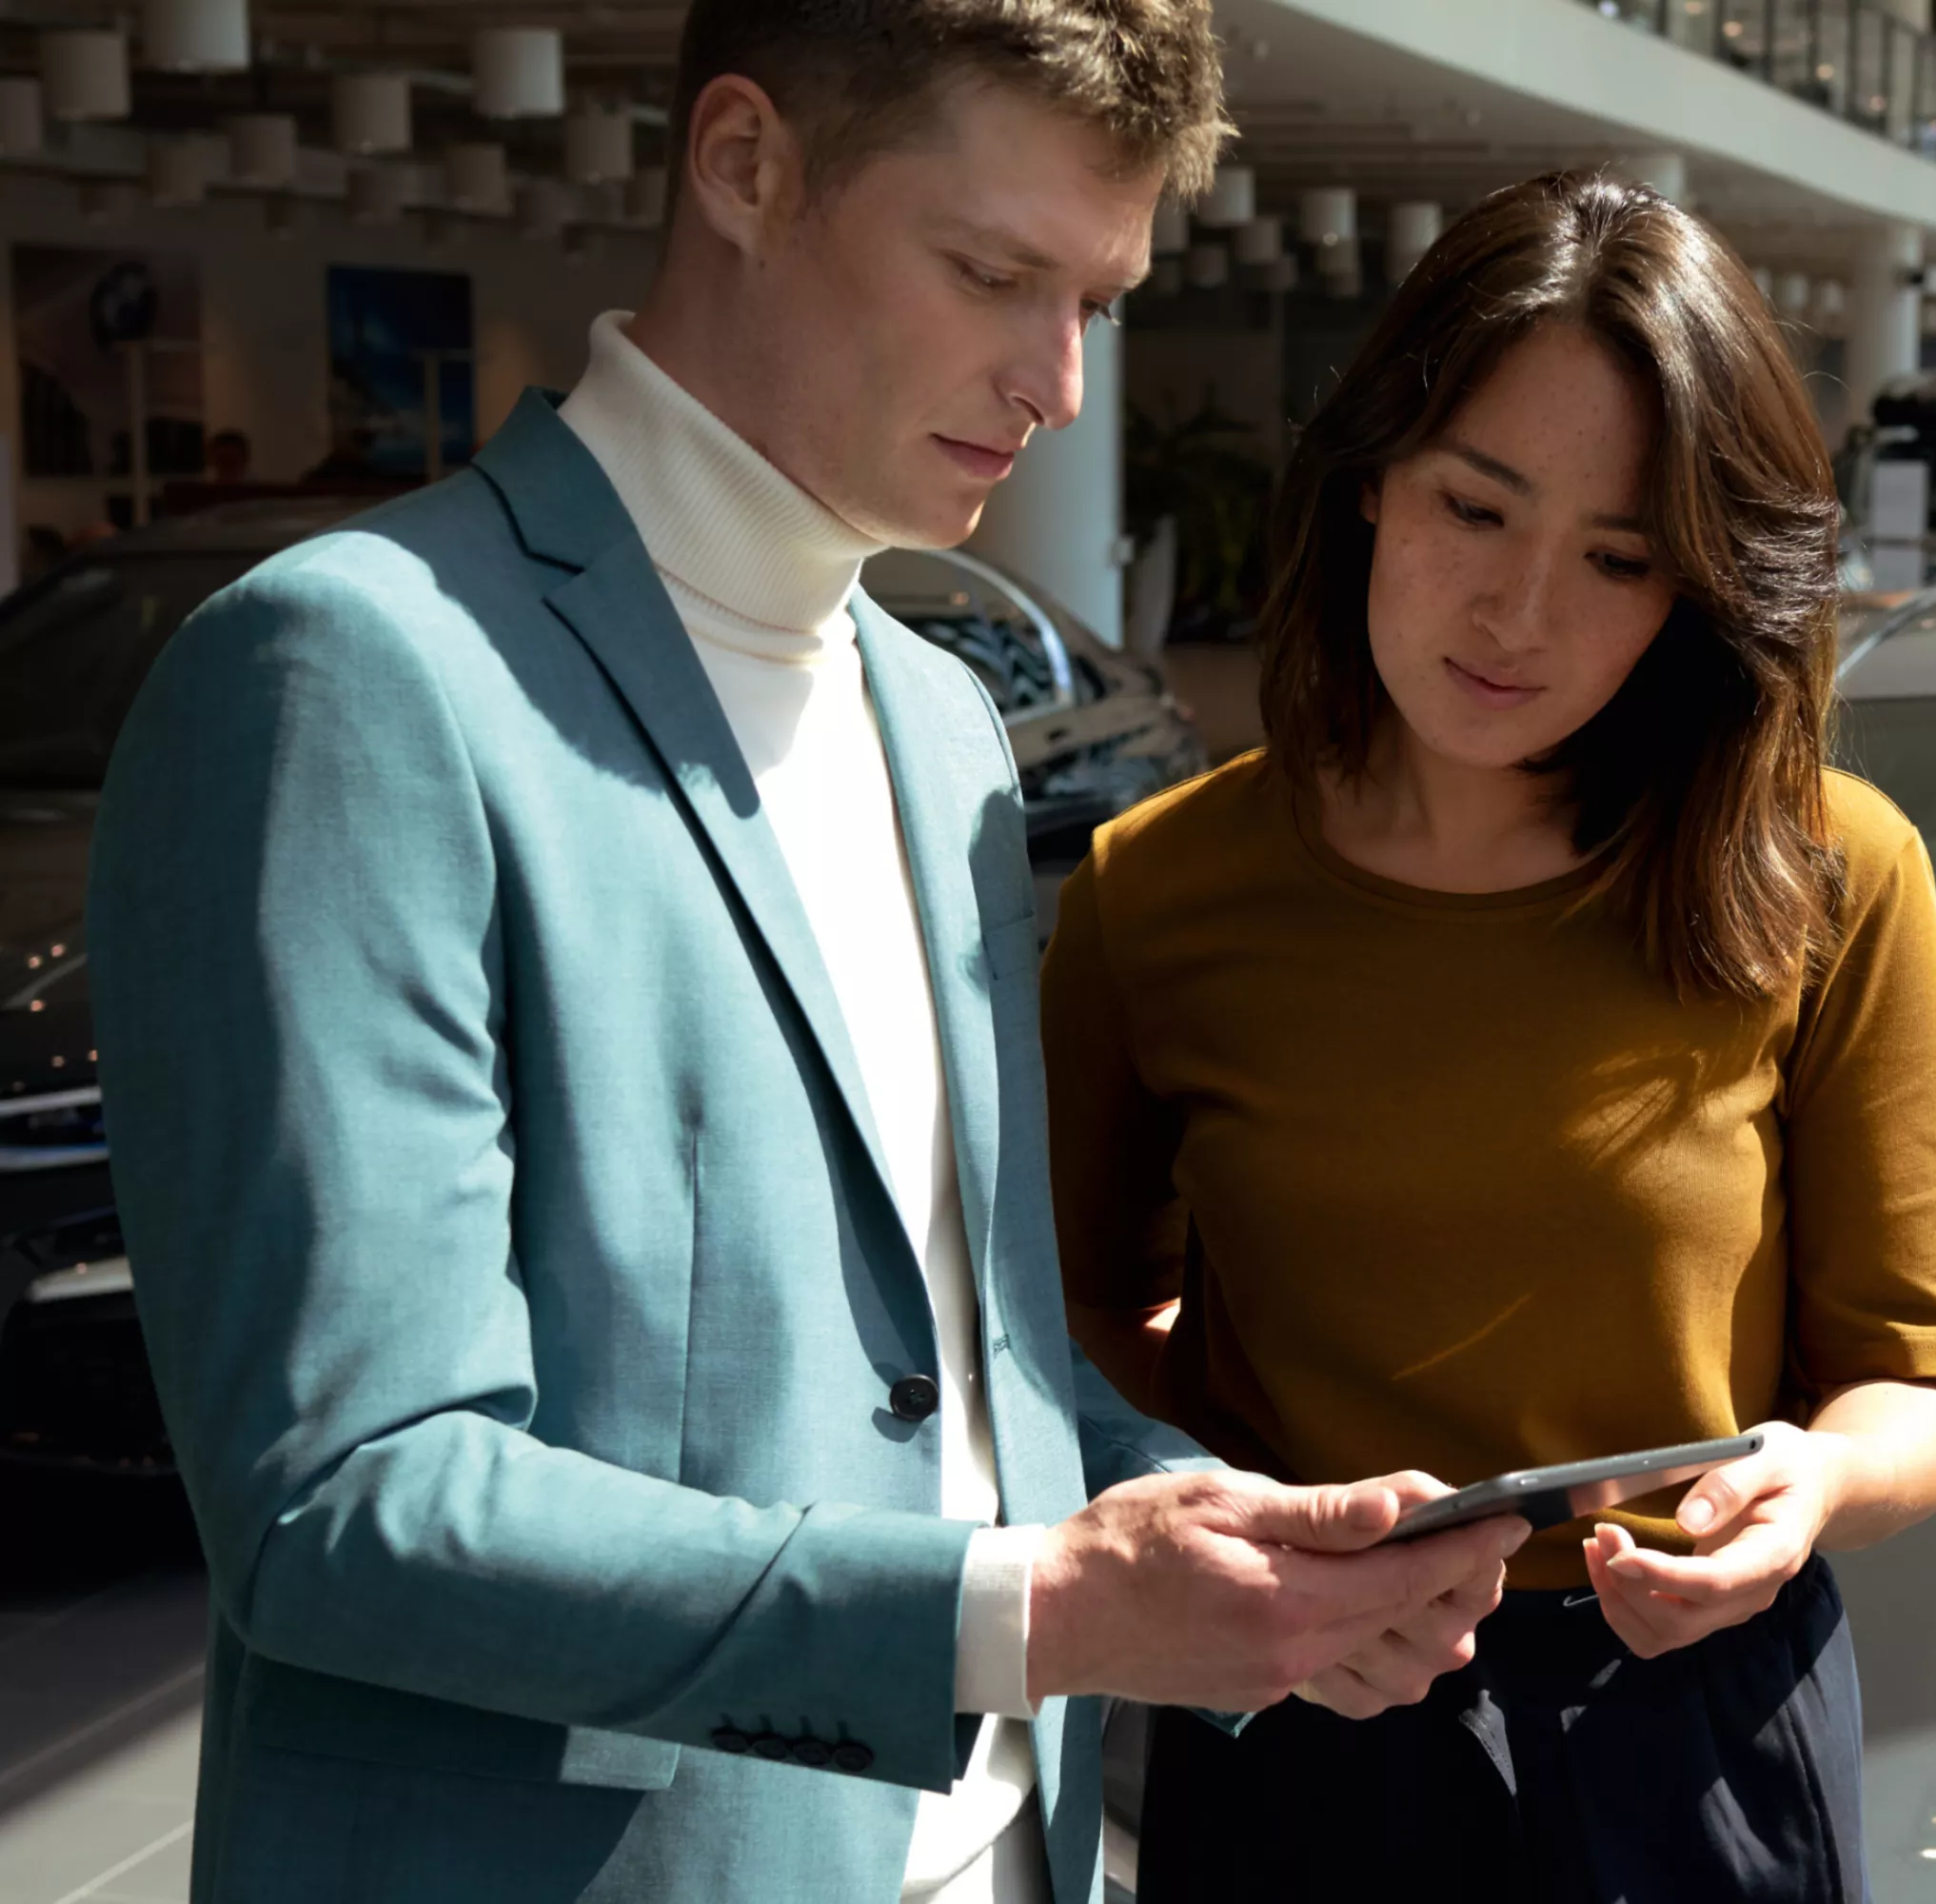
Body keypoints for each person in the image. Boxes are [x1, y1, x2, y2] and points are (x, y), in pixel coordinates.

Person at [83, 7, 1523, 1904]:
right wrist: (1037, 1610)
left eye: (1095, 303)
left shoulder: (937, 723)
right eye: (992, 273)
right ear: (744, 164)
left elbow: (949, 1369)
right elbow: (348, 1501)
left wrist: (1192, 1530)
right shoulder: (355, 674)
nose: (1057, 384)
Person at [1043, 171, 1936, 1901]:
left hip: (1695, 1724)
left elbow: (1910, 1392)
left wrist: (1812, 1486)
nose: (1518, 613)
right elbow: (1086, 1318)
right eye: (1475, 509)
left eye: (1620, 558)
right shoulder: (1157, 891)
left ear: (1697, 587)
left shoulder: (1829, 872)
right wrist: (1235, 1522)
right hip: (1303, 1713)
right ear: (1369, 481)